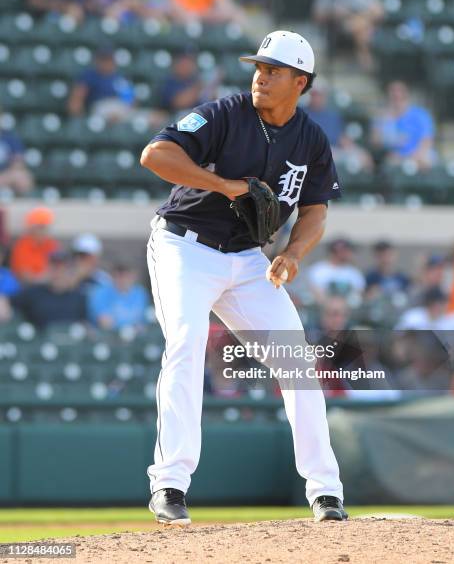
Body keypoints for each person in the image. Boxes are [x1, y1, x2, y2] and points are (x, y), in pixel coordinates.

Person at [140, 30, 348, 524]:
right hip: (185, 246)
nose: (261, 77)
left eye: (273, 71)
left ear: (301, 82)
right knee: (186, 344)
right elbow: (155, 155)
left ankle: (326, 492)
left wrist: (295, 252)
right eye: (259, 67)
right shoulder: (224, 113)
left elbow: (316, 210)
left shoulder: (311, 139)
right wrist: (223, 184)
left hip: (249, 261)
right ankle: (169, 484)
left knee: (297, 362)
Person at [312, 0, 384, 70]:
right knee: (362, 28)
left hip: (364, 23)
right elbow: (318, 14)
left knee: (361, 27)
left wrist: (363, 16)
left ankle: (365, 58)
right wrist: (334, 12)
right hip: (338, 25)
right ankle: (366, 58)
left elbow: (379, 12)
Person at [304, 79, 373, 171]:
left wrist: (351, 147)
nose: (317, 98)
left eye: (320, 94)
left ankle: (367, 183)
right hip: (319, 151)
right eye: (315, 94)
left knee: (364, 157)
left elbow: (341, 137)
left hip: (337, 149)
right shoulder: (304, 114)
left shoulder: (332, 114)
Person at [11, 250, 87, 329]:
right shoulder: (32, 293)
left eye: (63, 268)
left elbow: (84, 324)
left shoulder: (79, 298)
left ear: (71, 272)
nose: (58, 272)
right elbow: (8, 304)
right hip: (38, 340)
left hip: (69, 339)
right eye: (55, 267)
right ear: (48, 269)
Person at [371, 81, 437, 170]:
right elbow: (375, 142)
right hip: (393, 158)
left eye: (400, 95)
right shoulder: (382, 117)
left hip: (418, 155)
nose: (396, 97)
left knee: (426, 159)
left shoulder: (420, 115)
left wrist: (411, 157)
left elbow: (427, 142)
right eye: (393, 95)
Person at [67, 46, 135, 122]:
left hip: (120, 108)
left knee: (148, 118)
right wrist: (79, 119)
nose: (106, 63)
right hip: (100, 108)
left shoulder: (119, 77)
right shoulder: (90, 76)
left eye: (109, 59)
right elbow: (76, 99)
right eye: (103, 60)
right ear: (97, 61)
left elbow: (130, 100)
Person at [89, 262, 149, 330]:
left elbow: (145, 321)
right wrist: (132, 326)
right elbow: (104, 323)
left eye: (127, 276)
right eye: (120, 276)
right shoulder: (100, 293)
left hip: (136, 336)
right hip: (108, 336)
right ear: (113, 276)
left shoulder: (140, 293)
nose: (123, 280)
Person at [304, 237, 365, 302]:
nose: (350, 253)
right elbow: (313, 291)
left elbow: (359, 293)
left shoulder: (354, 272)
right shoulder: (318, 270)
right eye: (347, 250)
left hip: (348, 310)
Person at [160, 50, 220, 114]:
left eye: (190, 62)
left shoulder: (195, 80)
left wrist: (213, 84)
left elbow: (212, 103)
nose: (187, 65)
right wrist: (200, 86)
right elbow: (180, 103)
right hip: (176, 117)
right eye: (183, 62)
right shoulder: (170, 82)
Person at [10, 206, 60, 284]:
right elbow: (25, 276)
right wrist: (45, 278)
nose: (43, 231)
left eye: (45, 227)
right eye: (40, 227)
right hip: (28, 287)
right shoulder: (22, 246)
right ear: (31, 228)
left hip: (51, 286)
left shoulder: (52, 244)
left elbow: (59, 268)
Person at [0, 123, 34, 196]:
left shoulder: (9, 138)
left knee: (22, 177)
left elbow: (18, 164)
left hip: (6, 175)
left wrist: (4, 177)